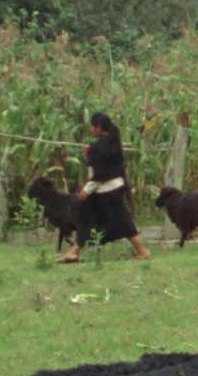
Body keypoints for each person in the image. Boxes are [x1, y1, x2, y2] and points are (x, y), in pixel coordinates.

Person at [55, 112, 151, 263]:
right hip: (108, 189)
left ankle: (142, 250)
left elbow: (100, 174)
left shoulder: (101, 148)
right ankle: (73, 252)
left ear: (99, 127)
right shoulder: (112, 142)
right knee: (88, 219)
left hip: (108, 190)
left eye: (92, 128)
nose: (91, 130)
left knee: (122, 222)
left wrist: (86, 190)